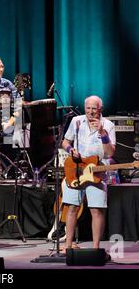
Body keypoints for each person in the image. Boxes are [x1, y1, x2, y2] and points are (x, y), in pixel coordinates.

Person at [61, 95, 116, 252]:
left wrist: (103, 133)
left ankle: (96, 248)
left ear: (100, 109)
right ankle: (68, 245)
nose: (91, 112)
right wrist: (70, 150)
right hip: (77, 170)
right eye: (88, 108)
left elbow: (110, 153)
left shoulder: (109, 125)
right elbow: (65, 141)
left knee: (96, 210)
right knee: (72, 207)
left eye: (94, 109)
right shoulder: (76, 121)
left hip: (97, 173)